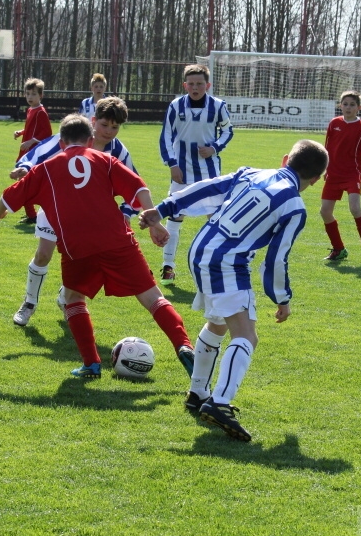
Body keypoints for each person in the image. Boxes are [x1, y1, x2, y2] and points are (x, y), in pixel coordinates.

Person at [139, 140, 329, 441]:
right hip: (227, 263)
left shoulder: (251, 172)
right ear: (317, 179)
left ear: (285, 159)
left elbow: (208, 188)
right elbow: (276, 260)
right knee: (246, 335)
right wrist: (282, 299)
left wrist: (162, 208)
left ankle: (198, 393)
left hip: (201, 250)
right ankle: (219, 404)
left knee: (217, 324)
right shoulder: (295, 206)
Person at [0, 113, 194, 379]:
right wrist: (153, 221)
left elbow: (12, 194)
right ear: (89, 139)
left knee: (73, 298)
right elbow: (138, 187)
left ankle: (91, 364)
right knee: (153, 298)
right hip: (118, 241)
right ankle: (185, 347)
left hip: (77, 248)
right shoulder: (106, 160)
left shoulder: (47, 167)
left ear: (62, 142)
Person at [10, 97, 141, 328]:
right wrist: (25, 167)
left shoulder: (118, 150)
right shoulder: (74, 138)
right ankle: (29, 303)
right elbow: (42, 151)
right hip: (56, 209)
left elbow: (135, 184)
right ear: (93, 121)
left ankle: (65, 298)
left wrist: (126, 212)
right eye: (104, 125)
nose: (109, 131)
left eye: (115, 127)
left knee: (85, 262)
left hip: (92, 218)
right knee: (43, 254)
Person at [158, 64, 234, 287]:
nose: (195, 87)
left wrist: (215, 147)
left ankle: (216, 265)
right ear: (185, 85)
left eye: (200, 83)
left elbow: (229, 131)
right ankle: (168, 266)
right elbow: (165, 136)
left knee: (215, 220)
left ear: (207, 85)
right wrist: (172, 164)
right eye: (191, 83)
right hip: (181, 172)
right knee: (175, 217)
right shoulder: (176, 105)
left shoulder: (218, 106)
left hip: (209, 173)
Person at [320, 90, 361, 265]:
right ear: (340, 106)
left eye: (352, 105)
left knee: (354, 208)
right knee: (325, 212)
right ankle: (339, 249)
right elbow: (327, 148)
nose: (348, 107)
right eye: (345, 104)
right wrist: (324, 169)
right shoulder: (334, 124)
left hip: (352, 174)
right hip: (333, 174)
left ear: (358, 108)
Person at [13, 77, 52, 224]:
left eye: (34, 94)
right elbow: (31, 127)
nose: (30, 97)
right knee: (23, 180)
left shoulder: (41, 112)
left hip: (34, 153)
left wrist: (31, 141)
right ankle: (32, 214)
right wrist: (22, 132)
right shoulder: (30, 110)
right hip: (26, 150)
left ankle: (33, 215)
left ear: (40, 95)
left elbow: (47, 133)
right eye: (28, 93)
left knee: (24, 181)